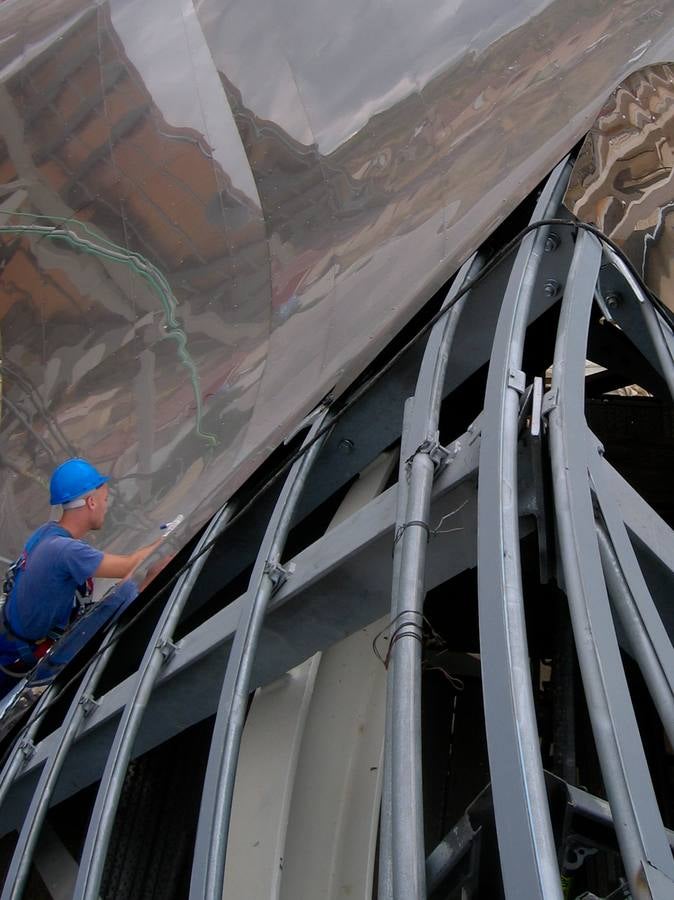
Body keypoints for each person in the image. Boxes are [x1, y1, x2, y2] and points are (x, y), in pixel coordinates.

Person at [0, 458, 166, 692]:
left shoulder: (47, 533)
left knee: (124, 589)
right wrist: (168, 537)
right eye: (105, 500)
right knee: (128, 591)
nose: (106, 507)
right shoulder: (65, 551)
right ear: (91, 502)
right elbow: (129, 565)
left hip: (11, 647)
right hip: (16, 661)